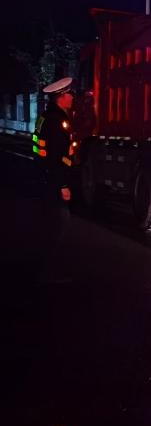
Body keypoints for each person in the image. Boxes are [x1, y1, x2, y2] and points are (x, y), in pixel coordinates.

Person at [33, 77, 75, 282]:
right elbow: (56, 156)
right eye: (69, 94)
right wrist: (63, 185)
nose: (72, 97)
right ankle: (50, 270)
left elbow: (41, 151)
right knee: (59, 223)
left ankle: (45, 265)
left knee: (49, 222)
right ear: (61, 97)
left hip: (43, 176)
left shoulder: (45, 117)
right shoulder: (57, 120)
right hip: (54, 180)